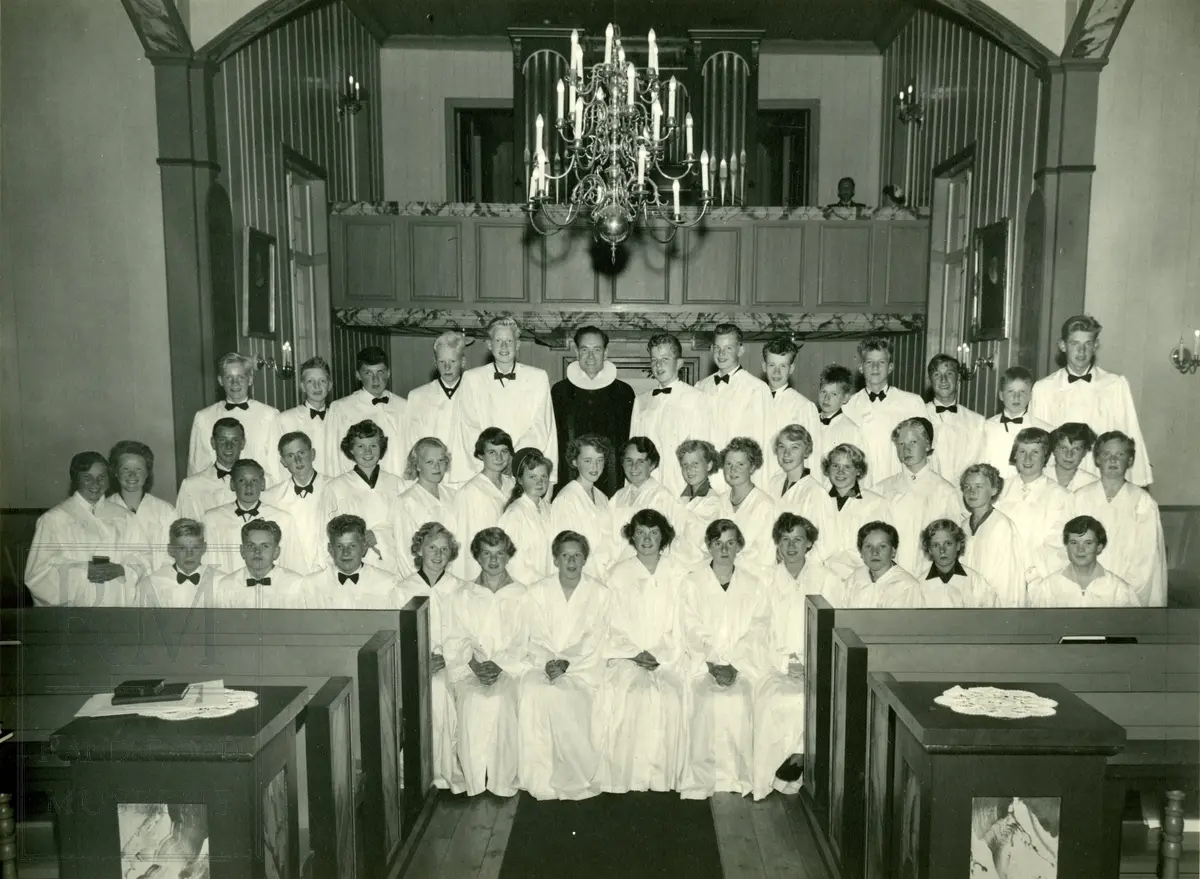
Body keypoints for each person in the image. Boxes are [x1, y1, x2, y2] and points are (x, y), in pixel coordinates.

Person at [677, 520, 769, 800]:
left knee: (740, 702)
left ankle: (738, 777)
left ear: (739, 545)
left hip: (741, 666)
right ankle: (703, 779)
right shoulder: (692, 583)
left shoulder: (753, 585)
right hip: (704, 665)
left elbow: (759, 627)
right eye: (718, 543)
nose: (724, 549)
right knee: (705, 702)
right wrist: (712, 663)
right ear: (709, 546)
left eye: (731, 542)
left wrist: (734, 664)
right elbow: (690, 627)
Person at [518, 531, 611, 801]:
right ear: (555, 559)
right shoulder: (537, 591)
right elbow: (531, 635)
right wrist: (548, 661)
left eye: (577, 556)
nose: (571, 562)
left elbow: (596, 638)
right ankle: (540, 778)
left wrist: (567, 663)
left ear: (585, 559)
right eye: (565, 556)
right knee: (534, 694)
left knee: (561, 696)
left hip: (582, 668)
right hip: (540, 665)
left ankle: (573, 774)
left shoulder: (600, 593)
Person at [752, 512, 839, 800]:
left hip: (816, 662)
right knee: (777, 700)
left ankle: (801, 759)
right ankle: (780, 766)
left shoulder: (827, 579)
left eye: (798, 540)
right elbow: (758, 626)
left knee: (811, 698)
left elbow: (836, 626)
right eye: (785, 540)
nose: (791, 547)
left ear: (809, 544)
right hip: (775, 664)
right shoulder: (765, 580)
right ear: (777, 543)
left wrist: (811, 662)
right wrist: (782, 662)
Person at [601, 510, 687, 794]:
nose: (647, 539)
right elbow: (609, 623)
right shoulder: (618, 574)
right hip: (628, 657)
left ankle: (664, 779)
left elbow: (683, 621)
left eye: (653, 533)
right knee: (635, 696)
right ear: (631, 535)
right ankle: (633, 777)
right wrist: (634, 653)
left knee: (671, 698)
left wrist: (660, 652)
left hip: (668, 656)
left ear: (663, 536)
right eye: (641, 533)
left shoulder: (677, 572)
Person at [443, 527, 529, 798]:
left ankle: (501, 780)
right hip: (473, 667)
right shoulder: (463, 594)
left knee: (502, 701)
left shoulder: (521, 594)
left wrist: (500, 664)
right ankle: (475, 780)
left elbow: (525, 639)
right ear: (477, 557)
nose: (493, 561)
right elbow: (455, 637)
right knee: (472, 701)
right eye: (487, 554)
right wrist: (475, 665)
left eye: (500, 553)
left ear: (508, 556)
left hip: (510, 669)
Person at [1030, 314, 1152, 486]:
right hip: (1058, 482)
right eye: (1075, 344)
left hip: (1102, 480)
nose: (1081, 351)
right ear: (1062, 346)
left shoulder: (1114, 385)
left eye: (1087, 344)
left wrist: (1136, 486)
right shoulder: (1044, 389)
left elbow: (1130, 435)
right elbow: (1036, 443)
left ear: (1095, 346)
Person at [25, 451, 146, 606]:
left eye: (101, 477)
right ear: (76, 480)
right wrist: (83, 571)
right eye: (87, 478)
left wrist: (123, 570)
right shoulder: (54, 519)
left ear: (109, 479)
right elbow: (38, 575)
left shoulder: (125, 517)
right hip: (75, 612)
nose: (95, 484)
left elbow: (142, 557)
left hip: (117, 607)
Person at [398, 522, 467, 792]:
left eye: (444, 549)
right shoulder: (403, 589)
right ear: (419, 550)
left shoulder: (461, 590)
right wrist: (420, 658)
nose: (438, 555)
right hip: (414, 663)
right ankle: (422, 771)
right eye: (432, 548)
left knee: (440, 687)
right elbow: (397, 632)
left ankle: (444, 770)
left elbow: (466, 633)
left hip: (455, 662)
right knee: (433, 689)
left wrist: (446, 658)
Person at [451, 317, 557, 484]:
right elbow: (468, 425)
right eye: (498, 340)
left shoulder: (537, 377)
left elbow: (541, 424)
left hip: (524, 466)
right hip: (485, 469)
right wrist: (495, 458)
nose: (504, 346)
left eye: (509, 341)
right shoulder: (472, 378)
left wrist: (515, 458)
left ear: (517, 344)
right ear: (489, 344)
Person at [1070, 432, 1167, 606]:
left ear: (1130, 461)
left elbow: (1147, 557)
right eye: (1106, 454)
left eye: (1120, 455)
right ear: (1097, 459)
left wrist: (1122, 591)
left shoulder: (1142, 502)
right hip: (1086, 587)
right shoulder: (1079, 498)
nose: (1112, 460)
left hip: (1128, 590)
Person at [551, 326, 635, 497]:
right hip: (570, 476)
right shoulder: (560, 391)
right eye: (584, 349)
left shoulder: (623, 392)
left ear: (605, 353)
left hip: (611, 479)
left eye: (596, 350)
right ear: (576, 352)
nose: (590, 356)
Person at [872, 418, 961, 576]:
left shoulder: (945, 491)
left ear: (927, 445)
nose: (906, 449)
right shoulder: (882, 489)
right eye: (901, 444)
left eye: (913, 442)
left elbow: (952, 544)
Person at [842, 338, 926, 488]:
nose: (875, 367)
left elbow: (925, 451)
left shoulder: (912, 403)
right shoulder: (848, 406)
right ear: (861, 368)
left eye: (881, 362)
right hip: (862, 489)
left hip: (901, 489)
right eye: (869, 362)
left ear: (890, 367)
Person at [695, 324, 772, 486]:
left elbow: (762, 443)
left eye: (728, 348)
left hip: (739, 480)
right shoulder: (700, 387)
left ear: (740, 350)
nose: (721, 354)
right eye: (717, 348)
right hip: (707, 480)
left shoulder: (756, 388)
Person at [630, 333, 706, 495]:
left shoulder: (696, 398)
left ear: (679, 363)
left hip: (680, 486)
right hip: (647, 486)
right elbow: (634, 451)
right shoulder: (641, 400)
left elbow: (702, 451)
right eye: (654, 360)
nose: (658, 365)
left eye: (665, 359)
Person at [201, 458, 305, 575]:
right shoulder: (213, 518)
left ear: (263, 484)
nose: (249, 486)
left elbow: (294, 565)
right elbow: (208, 564)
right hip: (229, 589)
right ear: (232, 484)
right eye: (242, 480)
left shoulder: (283, 519)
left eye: (254, 481)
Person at [995, 428, 1073, 583]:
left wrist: (1032, 574)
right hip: (1001, 573)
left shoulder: (1061, 496)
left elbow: (1060, 545)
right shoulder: (999, 489)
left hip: (1038, 578)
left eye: (1035, 452)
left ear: (1045, 456)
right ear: (1015, 455)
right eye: (1022, 451)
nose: (1028, 458)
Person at [327, 419, 405, 573]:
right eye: (360, 446)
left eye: (373, 446)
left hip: (392, 564)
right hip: (352, 566)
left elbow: (406, 526)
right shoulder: (336, 487)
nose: (368, 452)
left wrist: (379, 535)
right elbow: (330, 533)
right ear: (351, 450)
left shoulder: (396, 484)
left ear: (381, 448)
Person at [187, 352, 280, 481]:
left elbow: (275, 468)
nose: (235, 383)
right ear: (220, 380)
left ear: (250, 379)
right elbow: (196, 467)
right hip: (216, 493)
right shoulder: (204, 417)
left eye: (240, 377)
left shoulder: (269, 415)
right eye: (228, 377)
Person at [328, 346, 409, 477]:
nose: (375, 379)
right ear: (358, 375)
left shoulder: (403, 406)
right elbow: (334, 457)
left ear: (388, 373)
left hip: (397, 484)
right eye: (368, 373)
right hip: (358, 486)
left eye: (380, 372)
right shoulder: (341, 408)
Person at [262, 431, 335, 575]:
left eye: (301, 453)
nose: (297, 460)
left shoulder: (335, 488)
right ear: (283, 461)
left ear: (312, 454)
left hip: (328, 571)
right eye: (290, 456)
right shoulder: (270, 497)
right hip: (290, 573)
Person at [812, 443, 889, 580]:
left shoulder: (876, 503)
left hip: (861, 581)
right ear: (828, 469)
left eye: (847, 467)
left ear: (858, 471)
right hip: (822, 579)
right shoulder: (816, 501)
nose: (840, 472)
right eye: (835, 466)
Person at [1027, 516, 1141, 607]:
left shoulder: (1119, 590)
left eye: (1088, 543)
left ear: (1099, 547)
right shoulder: (1049, 588)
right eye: (1074, 543)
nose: (1080, 549)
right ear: (1067, 546)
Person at [302, 514, 407, 608]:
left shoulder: (388, 584)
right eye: (339, 546)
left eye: (352, 546)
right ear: (330, 549)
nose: (346, 552)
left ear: (364, 547)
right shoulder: (312, 585)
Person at [452, 428, 516, 580]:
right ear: (481, 455)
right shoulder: (470, 492)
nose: (499, 457)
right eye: (492, 452)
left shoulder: (513, 485)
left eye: (504, 451)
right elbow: (465, 541)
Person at [959, 464, 1026, 607]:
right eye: (967, 487)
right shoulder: (963, 527)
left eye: (979, 486)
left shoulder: (1002, 526)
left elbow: (1008, 582)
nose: (972, 492)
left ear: (994, 489)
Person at [608, 437, 681, 566]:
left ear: (652, 465)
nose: (633, 467)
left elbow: (661, 544)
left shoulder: (661, 497)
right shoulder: (619, 496)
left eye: (640, 461)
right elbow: (607, 534)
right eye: (629, 461)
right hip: (613, 567)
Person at [551, 434, 616, 576]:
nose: (595, 467)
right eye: (588, 461)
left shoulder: (602, 498)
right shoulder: (566, 499)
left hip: (605, 576)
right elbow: (565, 551)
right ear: (575, 462)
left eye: (600, 460)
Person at [393, 437, 458, 579]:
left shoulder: (454, 496)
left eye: (441, 461)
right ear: (417, 465)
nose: (437, 467)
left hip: (453, 579)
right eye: (430, 462)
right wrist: (420, 588)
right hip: (424, 584)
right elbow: (406, 555)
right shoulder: (406, 502)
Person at [406, 333, 469, 479]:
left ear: (463, 362)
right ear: (435, 363)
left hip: (465, 475)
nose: (447, 367)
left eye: (452, 361)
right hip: (430, 477)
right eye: (442, 362)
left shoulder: (475, 395)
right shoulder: (418, 396)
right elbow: (410, 442)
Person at [106, 439, 176, 570]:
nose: (132, 474)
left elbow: (172, 557)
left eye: (138, 469)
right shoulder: (102, 511)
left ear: (147, 473)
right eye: (125, 469)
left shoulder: (165, 511)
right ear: (115, 472)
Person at [760, 337, 820, 487]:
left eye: (783, 366)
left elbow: (812, 456)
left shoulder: (803, 406)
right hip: (757, 481)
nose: (776, 372)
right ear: (763, 366)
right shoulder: (754, 400)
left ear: (791, 368)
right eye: (772, 365)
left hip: (786, 483)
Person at [715, 437, 778, 578]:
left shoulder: (765, 505)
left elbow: (766, 559)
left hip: (755, 581)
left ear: (752, 467)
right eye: (728, 464)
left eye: (740, 464)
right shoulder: (720, 501)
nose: (733, 470)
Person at [212, 519, 306, 608]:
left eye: (265, 546)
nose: (257, 551)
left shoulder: (296, 584)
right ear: (242, 551)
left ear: (276, 552)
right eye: (250, 545)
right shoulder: (226, 585)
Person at [270, 356, 337, 475]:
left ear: (330, 385)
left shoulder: (339, 417)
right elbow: (277, 464)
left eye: (322, 381)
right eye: (310, 381)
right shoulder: (285, 419)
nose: (317, 386)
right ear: (302, 386)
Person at [497, 447, 555, 585]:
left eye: (544, 476)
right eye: (532, 477)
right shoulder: (514, 514)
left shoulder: (550, 509)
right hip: (526, 590)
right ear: (520, 480)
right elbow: (513, 562)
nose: (540, 482)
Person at [924, 354, 985, 486]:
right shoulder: (919, 415)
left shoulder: (976, 422)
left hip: (961, 493)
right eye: (937, 375)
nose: (943, 380)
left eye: (949, 374)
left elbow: (974, 462)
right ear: (930, 380)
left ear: (958, 379)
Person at [131, 518, 220, 608]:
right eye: (182, 548)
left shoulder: (219, 583)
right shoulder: (151, 584)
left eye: (195, 547)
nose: (189, 554)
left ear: (204, 548)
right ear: (171, 550)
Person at [981, 366, 1050, 477]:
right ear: (1001, 395)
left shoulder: (1045, 429)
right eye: (1010, 391)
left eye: (1022, 392)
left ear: (1030, 396)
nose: (1016, 397)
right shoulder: (986, 427)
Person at [838, 521, 925, 608]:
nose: (875, 552)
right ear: (861, 552)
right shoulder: (854, 579)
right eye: (868, 546)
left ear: (893, 551)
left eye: (882, 546)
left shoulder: (907, 586)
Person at [918, 519, 1000, 608]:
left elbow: (994, 616)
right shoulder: (919, 585)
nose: (942, 550)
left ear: (958, 545)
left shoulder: (976, 582)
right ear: (929, 549)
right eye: (936, 545)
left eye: (948, 543)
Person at [176, 418, 244, 521]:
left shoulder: (259, 481)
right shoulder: (191, 486)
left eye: (234, 440)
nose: (228, 446)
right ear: (213, 443)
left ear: (243, 443)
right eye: (222, 440)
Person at [768, 424, 828, 527]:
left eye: (794, 447)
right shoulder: (774, 483)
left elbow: (823, 539)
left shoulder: (817, 493)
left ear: (806, 451)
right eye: (782, 446)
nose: (786, 453)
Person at [674, 439, 723, 564]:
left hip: (696, 567)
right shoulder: (681, 499)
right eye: (685, 464)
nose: (689, 469)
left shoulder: (713, 502)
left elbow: (695, 544)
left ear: (709, 465)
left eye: (695, 463)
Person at [810, 364, 866, 473]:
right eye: (823, 392)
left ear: (845, 398)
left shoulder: (851, 430)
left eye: (834, 394)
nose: (826, 398)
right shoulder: (809, 422)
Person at [1046, 422, 1099, 490]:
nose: (1069, 455)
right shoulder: (1038, 477)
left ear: (1084, 452)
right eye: (1063, 448)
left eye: (1076, 449)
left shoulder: (1093, 484)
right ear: (1054, 449)